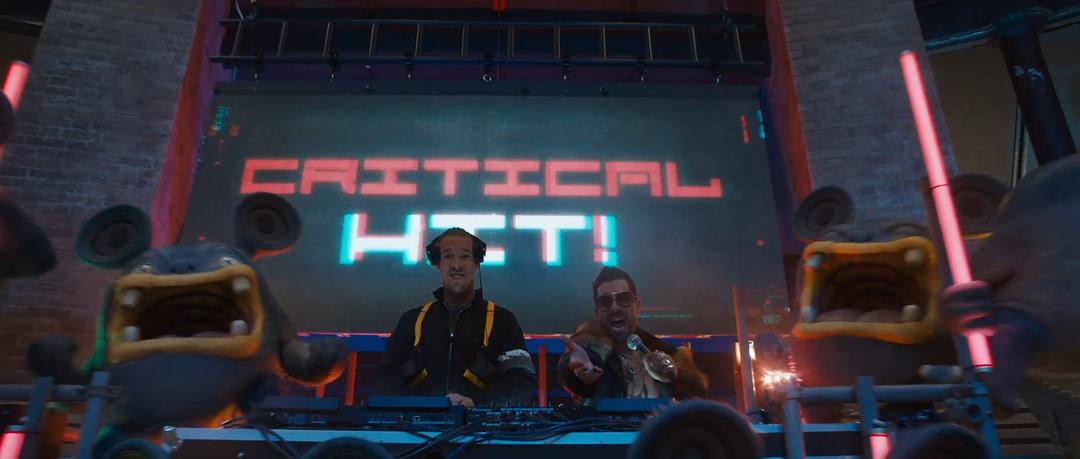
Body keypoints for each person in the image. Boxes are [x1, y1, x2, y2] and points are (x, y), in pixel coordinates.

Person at [374, 228, 537, 407]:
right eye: (448, 256)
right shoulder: (411, 321)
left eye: (465, 256)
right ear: (437, 263)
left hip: (482, 424)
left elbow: (522, 381)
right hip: (417, 423)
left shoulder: (502, 321)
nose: (456, 265)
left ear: (476, 263)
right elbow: (385, 379)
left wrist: (476, 405)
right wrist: (421, 407)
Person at [558, 267, 708, 402]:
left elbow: (696, 399)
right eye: (605, 302)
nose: (615, 308)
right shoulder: (591, 354)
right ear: (597, 312)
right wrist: (575, 369)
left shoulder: (666, 356)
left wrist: (676, 377)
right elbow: (573, 376)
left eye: (624, 299)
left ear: (637, 306)